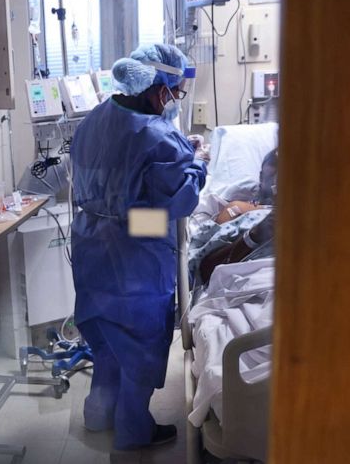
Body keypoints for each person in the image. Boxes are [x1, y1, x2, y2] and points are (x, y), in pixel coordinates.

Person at [70, 44, 207, 450]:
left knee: (106, 340)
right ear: (159, 89)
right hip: (136, 246)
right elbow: (179, 202)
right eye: (175, 92)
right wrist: (197, 160)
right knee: (140, 345)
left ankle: (98, 414)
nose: (174, 101)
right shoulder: (157, 135)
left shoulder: (92, 119)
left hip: (91, 239)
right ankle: (133, 432)